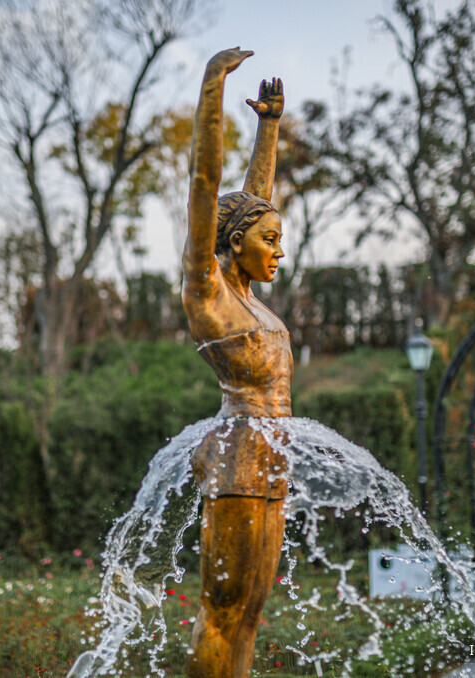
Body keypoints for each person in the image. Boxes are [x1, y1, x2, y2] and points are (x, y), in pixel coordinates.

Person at [182, 47, 290, 678]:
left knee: (252, 611)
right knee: (222, 611)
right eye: (269, 241)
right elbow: (205, 185)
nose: (278, 252)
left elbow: (253, 203)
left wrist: (269, 127)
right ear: (231, 244)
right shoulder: (210, 296)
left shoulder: (250, 299)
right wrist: (210, 93)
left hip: (272, 457)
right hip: (236, 457)